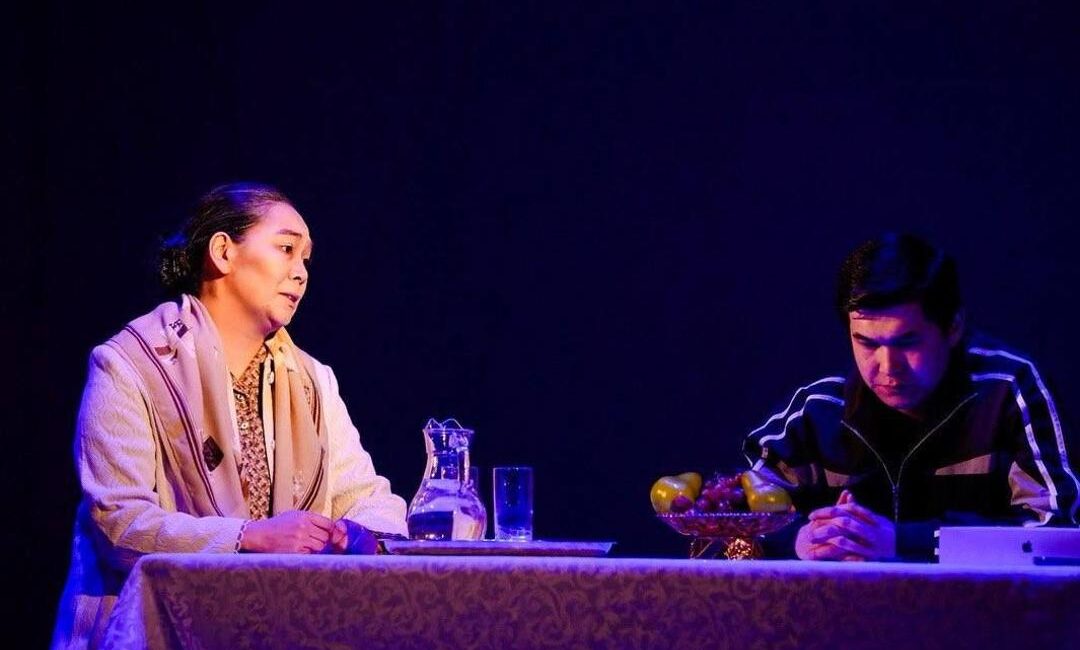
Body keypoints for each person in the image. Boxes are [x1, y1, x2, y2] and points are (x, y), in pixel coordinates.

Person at [52, 183, 408, 648]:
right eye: (286, 249)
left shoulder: (313, 381)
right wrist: (249, 537)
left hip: (282, 629)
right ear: (223, 252)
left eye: (306, 259)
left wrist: (354, 533)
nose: (300, 273)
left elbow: (369, 497)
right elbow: (121, 522)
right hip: (157, 630)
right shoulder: (129, 365)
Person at [743, 233, 1079, 561]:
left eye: (907, 342)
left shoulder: (1006, 392)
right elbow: (733, 525)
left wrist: (903, 542)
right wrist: (798, 541)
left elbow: (1057, 532)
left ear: (954, 327)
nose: (888, 367)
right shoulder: (815, 414)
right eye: (867, 343)